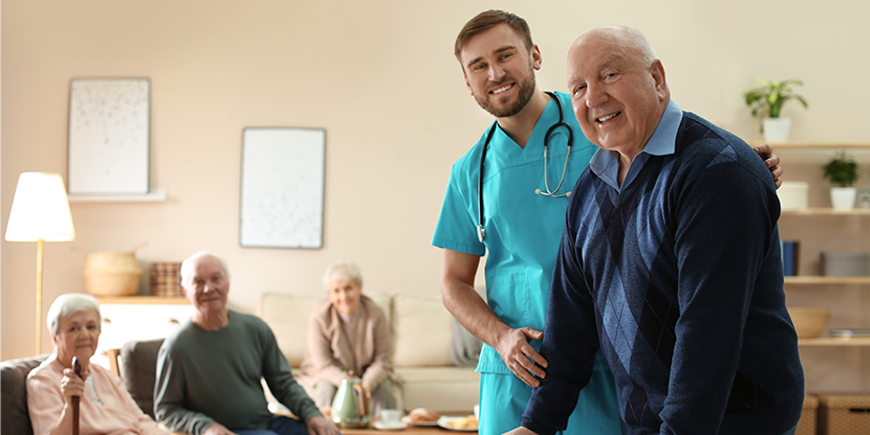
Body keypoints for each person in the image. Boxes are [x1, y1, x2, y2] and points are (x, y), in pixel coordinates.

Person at [432, 10, 784, 435]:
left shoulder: (601, 131)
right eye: (478, 65)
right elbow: (454, 281)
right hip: (534, 365)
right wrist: (502, 338)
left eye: (505, 55)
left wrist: (736, 165)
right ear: (467, 81)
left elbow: (678, 145)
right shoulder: (476, 171)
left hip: (619, 364)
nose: (495, 72)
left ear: (534, 56)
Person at [153, 251, 339, 435]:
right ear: (185, 290)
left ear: (228, 283)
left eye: (216, 279)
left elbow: (284, 384)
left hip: (267, 424)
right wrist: (205, 427)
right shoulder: (176, 347)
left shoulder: (255, 328)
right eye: (198, 282)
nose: (208, 288)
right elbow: (165, 409)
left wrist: (313, 415)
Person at [26, 293, 170, 435]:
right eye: (73, 328)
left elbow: (141, 421)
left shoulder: (106, 375)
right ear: (55, 337)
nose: (84, 335)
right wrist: (70, 407)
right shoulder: (42, 380)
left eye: (91, 327)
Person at [300, 262, 399, 415]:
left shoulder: (376, 313)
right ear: (329, 295)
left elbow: (382, 360)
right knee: (326, 390)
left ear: (359, 287)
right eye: (336, 291)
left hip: (366, 375)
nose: (343, 296)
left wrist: (367, 384)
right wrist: (347, 384)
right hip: (329, 374)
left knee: (383, 392)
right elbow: (323, 364)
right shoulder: (318, 317)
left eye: (348, 288)